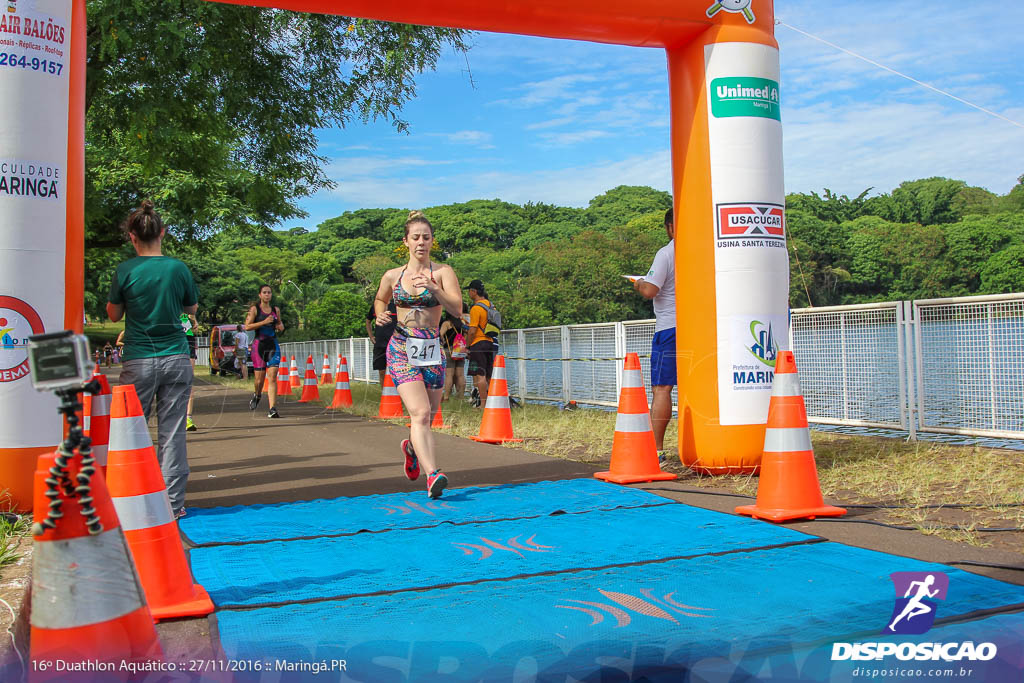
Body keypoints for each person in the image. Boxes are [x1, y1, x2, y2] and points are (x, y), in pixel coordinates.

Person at [106, 199, 199, 520]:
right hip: (175, 355)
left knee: (131, 432)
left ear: (131, 237)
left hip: (139, 359)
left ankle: (132, 501)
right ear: (163, 232)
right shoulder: (178, 268)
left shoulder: (125, 271)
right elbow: (191, 310)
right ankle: (173, 505)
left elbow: (114, 313)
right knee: (172, 433)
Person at [373, 211, 463, 499]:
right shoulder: (393, 275)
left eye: (426, 237)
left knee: (428, 418)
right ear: (406, 242)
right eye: (416, 237)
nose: (421, 242)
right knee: (420, 414)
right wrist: (379, 314)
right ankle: (433, 475)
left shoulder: (443, 272)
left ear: (432, 241)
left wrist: (435, 289)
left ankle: (412, 448)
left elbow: (457, 309)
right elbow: (380, 298)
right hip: (401, 346)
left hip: (432, 348)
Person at [633, 207, 676, 458]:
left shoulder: (666, 253)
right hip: (698, 328)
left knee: (662, 388)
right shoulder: (703, 251)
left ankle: (656, 449)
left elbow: (650, 290)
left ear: (669, 227)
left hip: (669, 329)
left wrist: (639, 283)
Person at [245, 285, 285, 418]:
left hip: (272, 344)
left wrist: (280, 326)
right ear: (260, 295)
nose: (267, 295)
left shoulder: (275, 310)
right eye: (265, 292)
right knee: (259, 380)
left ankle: (273, 408)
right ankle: (257, 394)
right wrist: (263, 322)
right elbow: (247, 327)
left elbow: (280, 324)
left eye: (269, 293)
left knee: (273, 376)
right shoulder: (255, 309)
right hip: (259, 345)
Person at [465, 280, 498, 405]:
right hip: (490, 342)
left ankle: (484, 404)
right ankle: (494, 402)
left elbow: (472, 330)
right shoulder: (491, 305)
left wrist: (468, 346)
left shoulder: (476, 308)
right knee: (489, 374)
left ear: (474, 291)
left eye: (469, 291)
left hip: (478, 343)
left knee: (480, 374)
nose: (469, 293)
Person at [365, 299, 397, 386]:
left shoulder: (397, 305)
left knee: (396, 370)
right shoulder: (375, 306)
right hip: (380, 343)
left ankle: (398, 393)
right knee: (382, 371)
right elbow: (368, 321)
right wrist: (371, 336)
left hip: (395, 343)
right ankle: (384, 393)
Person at [440, 306, 467, 401]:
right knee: (460, 374)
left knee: (449, 375)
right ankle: (461, 396)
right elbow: (466, 334)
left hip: (449, 350)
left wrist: (442, 341)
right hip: (460, 349)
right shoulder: (462, 323)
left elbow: (440, 334)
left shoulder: (447, 324)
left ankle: (446, 396)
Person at [179, 312, 199, 431]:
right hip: (173, 342)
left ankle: (188, 418)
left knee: (189, 381)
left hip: (188, 341)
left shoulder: (188, 311)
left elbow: (195, 329)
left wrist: (193, 320)